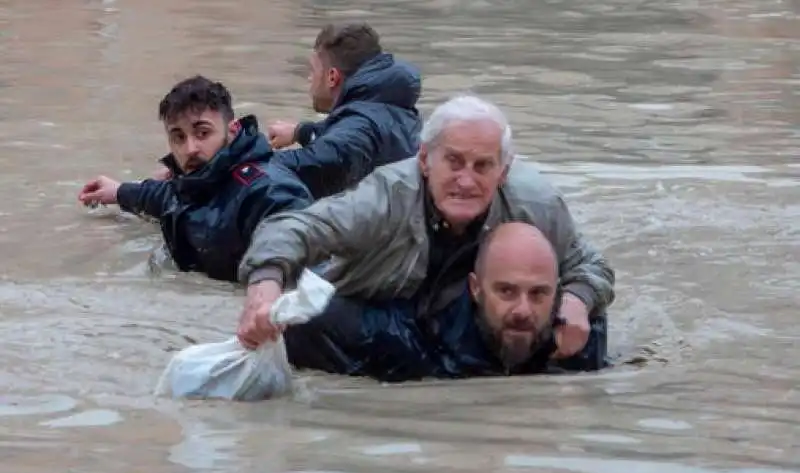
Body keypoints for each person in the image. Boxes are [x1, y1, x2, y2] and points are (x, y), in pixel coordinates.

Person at [236, 94, 615, 377]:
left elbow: (591, 266)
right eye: (453, 161)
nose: (466, 181)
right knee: (304, 321)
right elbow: (291, 228)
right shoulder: (384, 197)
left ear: (503, 171)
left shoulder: (537, 203)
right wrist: (264, 287)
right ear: (424, 160)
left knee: (588, 330)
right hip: (390, 318)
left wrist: (578, 301)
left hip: (476, 321)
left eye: (482, 166)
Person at [279, 222, 609, 382]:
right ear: (476, 288)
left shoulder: (579, 339)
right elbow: (306, 319)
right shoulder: (413, 337)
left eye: (538, 294)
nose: (523, 310)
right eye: (506, 292)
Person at [77, 75, 312, 283]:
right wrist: (118, 192)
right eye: (178, 137)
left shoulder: (265, 190)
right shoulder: (196, 182)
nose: (190, 148)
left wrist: (267, 284)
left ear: (232, 131)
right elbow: (166, 197)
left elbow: (300, 237)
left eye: (203, 133)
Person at [268, 23, 422, 199]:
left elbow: (324, 159)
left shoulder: (360, 125)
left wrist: (244, 161)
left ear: (332, 77)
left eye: (313, 71)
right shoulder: (387, 107)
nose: (310, 79)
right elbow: (346, 136)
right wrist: (300, 132)